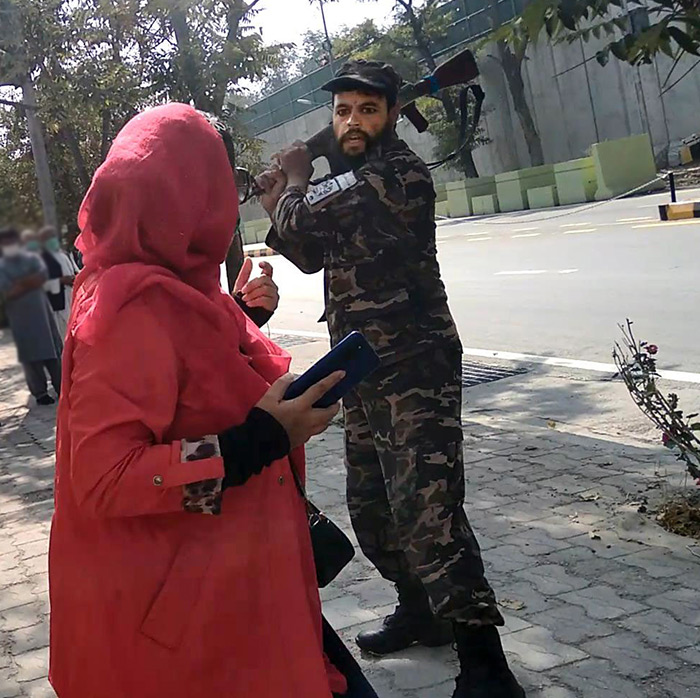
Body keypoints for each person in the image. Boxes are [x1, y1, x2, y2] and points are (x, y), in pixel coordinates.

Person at [48, 103, 379, 698]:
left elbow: (180, 382)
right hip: (189, 614)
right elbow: (103, 479)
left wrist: (248, 318)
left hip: (228, 576)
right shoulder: (129, 308)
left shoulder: (165, 287)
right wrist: (258, 440)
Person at [261, 60, 525, 698]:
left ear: (391, 113)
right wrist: (281, 196)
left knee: (429, 510)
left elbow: (304, 217)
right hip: (364, 370)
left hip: (415, 365)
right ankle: (420, 609)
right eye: (343, 110)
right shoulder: (349, 181)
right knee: (374, 507)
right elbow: (304, 250)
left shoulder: (396, 174)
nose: (352, 121)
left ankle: (487, 665)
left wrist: (292, 180)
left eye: (367, 110)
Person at [0, 227, 63, 406]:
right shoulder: (2, 266)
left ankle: (62, 388)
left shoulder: (32, 259)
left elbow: (41, 277)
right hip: (21, 319)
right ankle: (40, 393)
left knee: (53, 353)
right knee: (31, 357)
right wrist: (29, 281)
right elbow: (8, 291)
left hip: (42, 314)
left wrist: (20, 283)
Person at [35, 226, 80, 337]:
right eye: (48, 238)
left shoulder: (63, 255)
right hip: (57, 305)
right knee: (62, 335)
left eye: (53, 237)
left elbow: (75, 270)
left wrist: (75, 278)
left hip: (70, 298)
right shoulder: (41, 259)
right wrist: (60, 281)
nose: (52, 240)